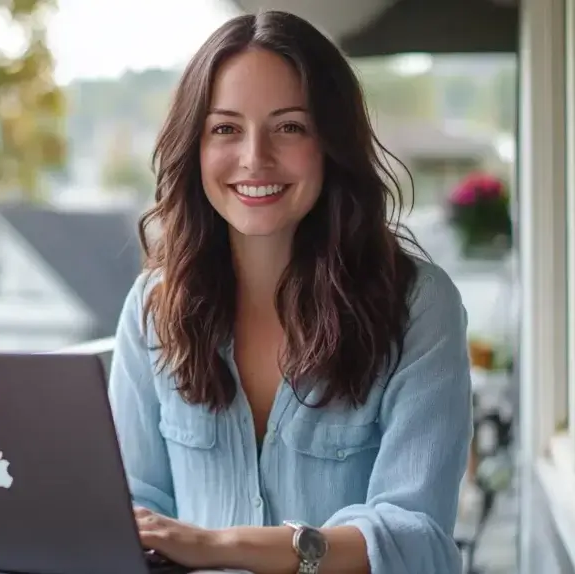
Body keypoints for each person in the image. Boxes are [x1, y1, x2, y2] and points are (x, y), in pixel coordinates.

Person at [106, 9, 472, 574]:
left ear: (331, 143)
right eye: (225, 128)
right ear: (195, 148)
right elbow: (132, 508)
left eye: (290, 127)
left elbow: (415, 537)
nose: (255, 157)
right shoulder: (153, 307)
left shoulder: (419, 306)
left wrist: (221, 547)